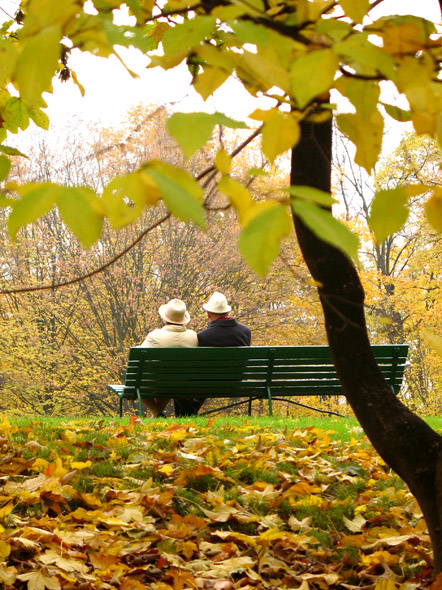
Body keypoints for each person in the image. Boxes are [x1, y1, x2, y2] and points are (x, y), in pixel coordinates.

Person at [173, 292, 251, 417]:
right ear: (228, 312)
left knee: (178, 382)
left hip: (209, 384)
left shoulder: (203, 336)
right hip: (236, 382)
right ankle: (189, 415)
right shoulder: (245, 332)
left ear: (208, 314)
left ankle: (187, 416)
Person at [140, 298, 197, 417]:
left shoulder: (155, 336)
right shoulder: (193, 337)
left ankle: (156, 412)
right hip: (184, 385)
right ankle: (157, 414)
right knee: (171, 379)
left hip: (158, 384)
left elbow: (140, 359)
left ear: (165, 318)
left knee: (147, 380)